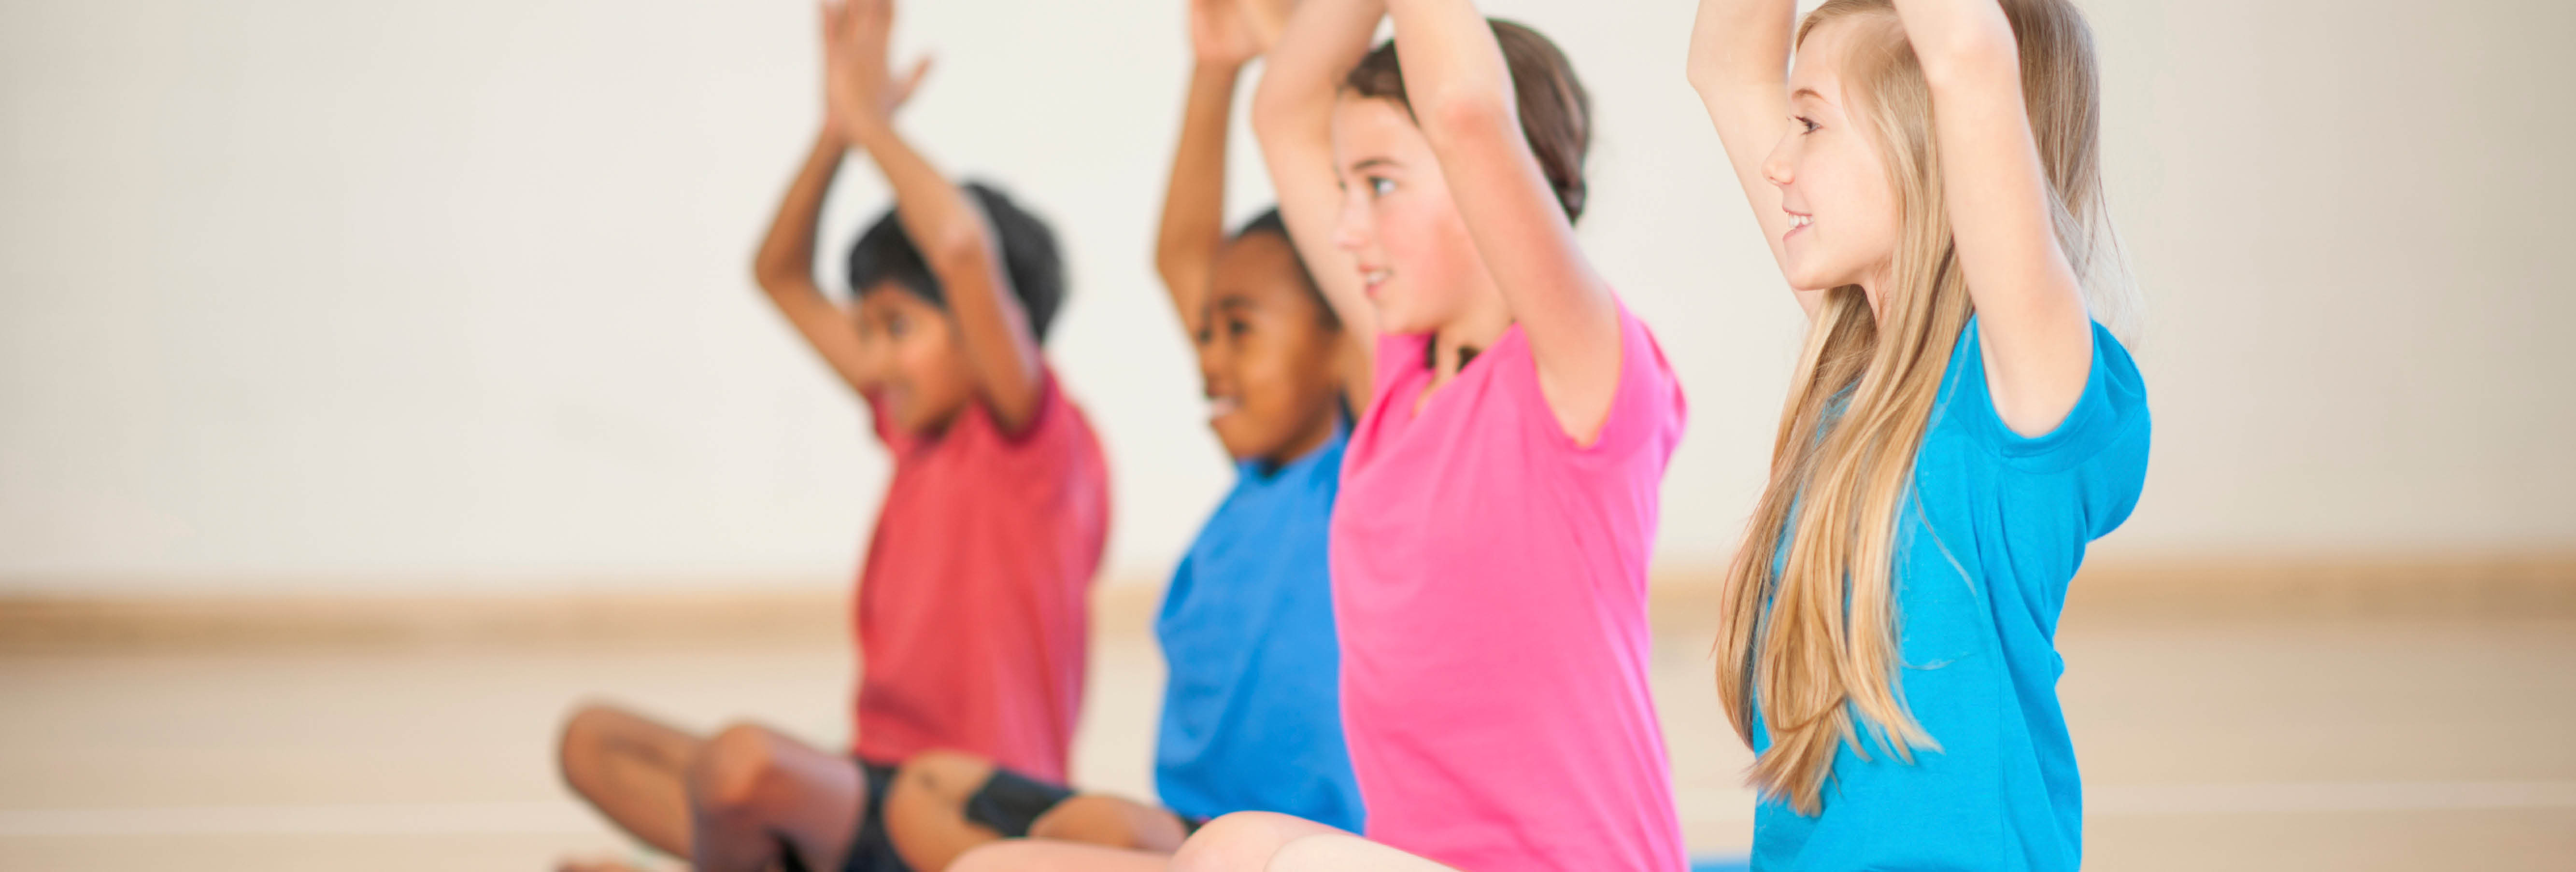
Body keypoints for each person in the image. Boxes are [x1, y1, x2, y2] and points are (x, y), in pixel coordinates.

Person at [554, 1, 1109, 870]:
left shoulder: (1031, 440)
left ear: (990, 327)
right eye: (868, 330)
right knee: (593, 740)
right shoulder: (911, 429)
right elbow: (776, 272)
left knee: (741, 764)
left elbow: (962, 249)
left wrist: (875, 125)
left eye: (897, 328)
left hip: (972, 808)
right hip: (868, 793)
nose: (875, 360)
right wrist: (833, 133)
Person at [1167, 0, 1693, 870]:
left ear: (1494, 177)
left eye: (1377, 184)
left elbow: (1464, 113)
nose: (1345, 229)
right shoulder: (1400, 376)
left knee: (1238, 853)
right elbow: (1282, 114)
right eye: (1342, 189)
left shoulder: (1579, 372)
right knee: (1002, 868)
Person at [888, 2, 1367, 871]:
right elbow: (1184, 252)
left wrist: (1303, 81)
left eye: (1239, 330)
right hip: (1188, 829)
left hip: (1305, 850)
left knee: (1099, 832)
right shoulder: (1257, 480)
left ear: (1344, 333)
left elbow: (1350, 246)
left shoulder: (1367, 465)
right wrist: (1215, 67)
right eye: (1205, 330)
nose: (1207, 358)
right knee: (931, 792)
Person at [1683, 0, 2150, 867]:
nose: (1777, 162)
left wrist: (1965, 72)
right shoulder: (1860, 372)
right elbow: (1725, 61)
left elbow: (1967, 53)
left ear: (1929, 142)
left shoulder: (2017, 396)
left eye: (1810, 123)